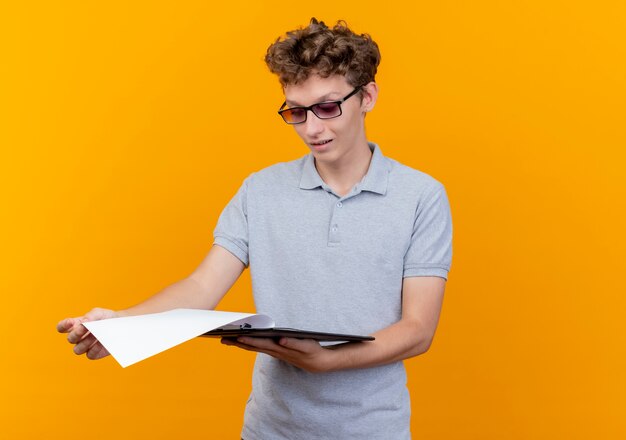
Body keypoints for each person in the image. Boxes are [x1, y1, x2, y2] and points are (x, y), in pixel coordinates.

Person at [57, 18, 452, 440]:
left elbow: (417, 330)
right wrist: (121, 324)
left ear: (367, 96)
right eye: (296, 112)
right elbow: (200, 287)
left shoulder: (421, 196)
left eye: (328, 107)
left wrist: (326, 361)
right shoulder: (260, 190)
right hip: (270, 429)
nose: (312, 128)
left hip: (374, 430)